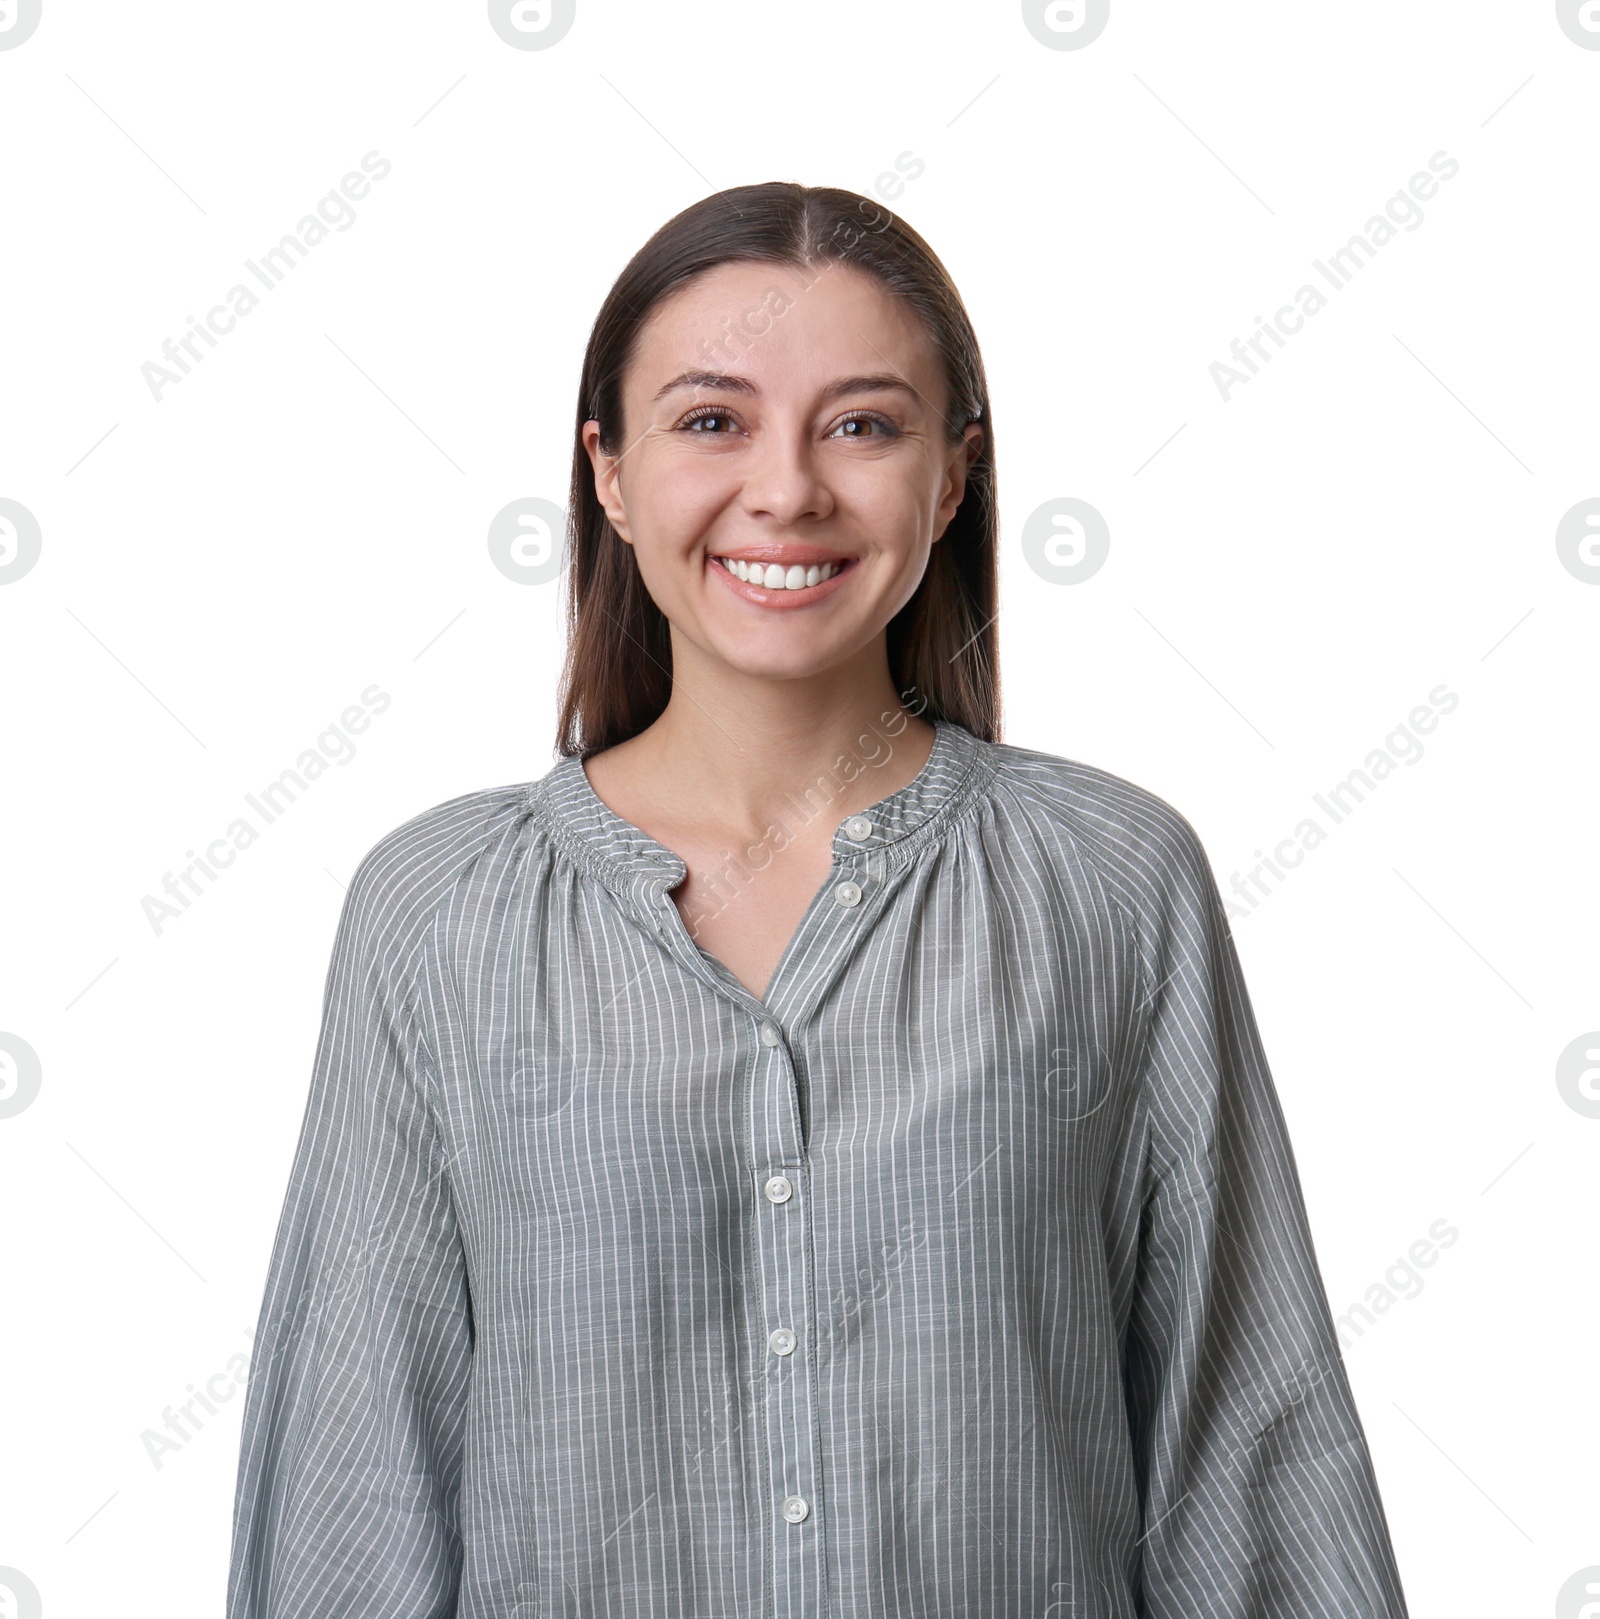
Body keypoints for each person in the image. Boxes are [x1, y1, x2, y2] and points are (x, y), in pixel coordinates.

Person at [226, 181, 1410, 1617]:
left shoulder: (1112, 885)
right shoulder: (438, 916)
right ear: (606, 467)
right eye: (712, 420)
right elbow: (356, 1484)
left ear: (955, 474)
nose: (787, 488)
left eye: (862, 424)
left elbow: (1250, 1460)